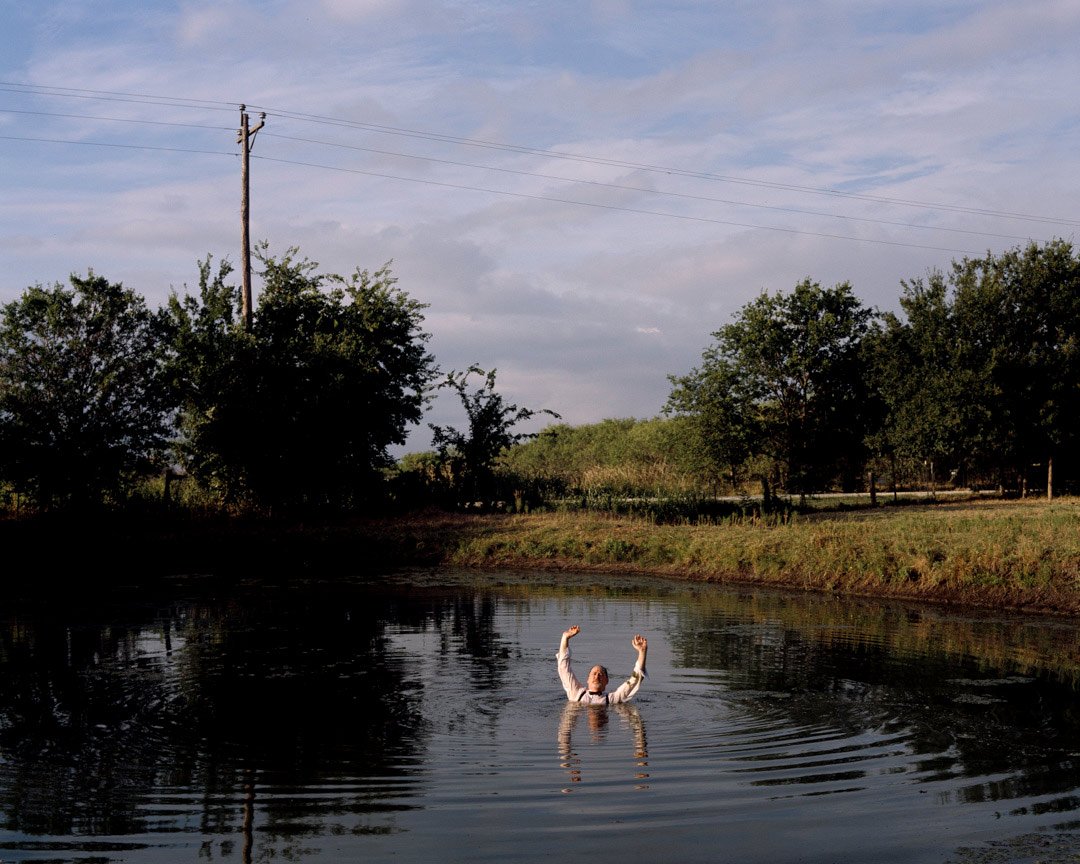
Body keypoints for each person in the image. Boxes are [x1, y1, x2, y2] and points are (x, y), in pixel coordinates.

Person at [556, 625, 647, 705]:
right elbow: (564, 668)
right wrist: (565, 638)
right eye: (594, 673)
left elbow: (634, 681)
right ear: (587, 679)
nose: (597, 676)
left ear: (606, 681)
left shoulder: (612, 699)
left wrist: (642, 652)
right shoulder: (576, 694)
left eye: (601, 674)